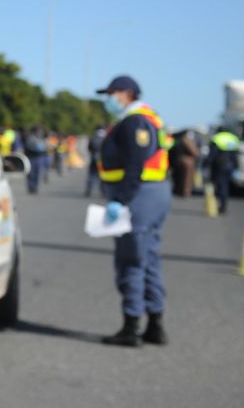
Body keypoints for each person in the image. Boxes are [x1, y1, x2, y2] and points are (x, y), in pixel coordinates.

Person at [96, 75, 172, 347]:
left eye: (111, 93)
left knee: (131, 260)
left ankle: (131, 326)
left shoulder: (135, 121)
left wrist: (122, 199)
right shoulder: (147, 117)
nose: (108, 99)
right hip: (152, 194)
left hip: (138, 196)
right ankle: (155, 324)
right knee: (149, 259)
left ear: (126, 93)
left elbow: (135, 164)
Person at [203, 126, 239, 214]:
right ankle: (223, 205)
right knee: (225, 185)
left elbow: (212, 154)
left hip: (219, 165)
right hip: (230, 165)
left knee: (219, 185)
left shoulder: (216, 138)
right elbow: (235, 154)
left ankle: (219, 206)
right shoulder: (233, 138)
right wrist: (236, 166)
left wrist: (206, 164)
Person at [168, 130, 199, 199]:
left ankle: (179, 191)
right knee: (187, 178)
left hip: (178, 160)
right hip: (187, 162)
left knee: (179, 177)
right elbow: (195, 152)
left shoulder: (176, 140)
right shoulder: (186, 140)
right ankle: (185, 192)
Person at [85, 124, 106, 197]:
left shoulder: (93, 136)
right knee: (103, 175)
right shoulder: (106, 136)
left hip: (94, 157)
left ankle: (89, 189)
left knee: (92, 174)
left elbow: (89, 147)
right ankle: (103, 191)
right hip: (103, 158)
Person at [23, 125, 46, 194]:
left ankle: (35, 187)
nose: (40, 132)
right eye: (38, 130)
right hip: (32, 157)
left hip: (39, 157)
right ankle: (31, 187)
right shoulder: (31, 138)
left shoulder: (41, 138)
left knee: (37, 173)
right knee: (31, 173)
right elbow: (29, 147)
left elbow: (44, 146)